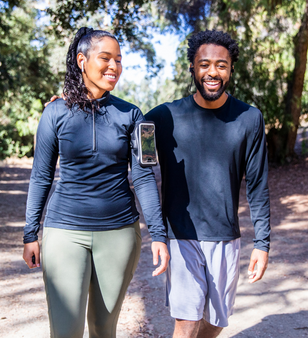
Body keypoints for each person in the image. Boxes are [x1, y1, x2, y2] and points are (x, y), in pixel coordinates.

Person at [22, 27, 169, 338]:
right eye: (105, 58)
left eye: (118, 59)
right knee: (65, 331)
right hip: (64, 233)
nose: (113, 66)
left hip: (119, 236)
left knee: (104, 329)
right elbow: (41, 175)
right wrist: (30, 232)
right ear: (81, 60)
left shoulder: (136, 116)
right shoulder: (53, 113)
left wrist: (159, 233)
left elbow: (144, 176)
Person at [145, 30, 271, 338]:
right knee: (186, 321)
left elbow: (257, 185)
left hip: (225, 236)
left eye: (221, 65)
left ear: (230, 69)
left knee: (216, 322)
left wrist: (263, 243)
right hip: (181, 234)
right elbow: (124, 133)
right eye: (204, 64)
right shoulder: (163, 117)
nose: (212, 72)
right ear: (192, 68)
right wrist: (73, 103)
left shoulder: (250, 119)